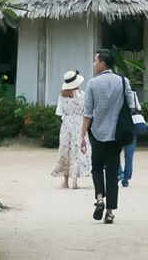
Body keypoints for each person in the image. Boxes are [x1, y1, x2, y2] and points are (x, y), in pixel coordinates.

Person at [80, 48, 136, 225]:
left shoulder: (92, 84)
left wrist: (82, 136)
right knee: (112, 172)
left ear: (103, 63)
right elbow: (132, 106)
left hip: (96, 132)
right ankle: (110, 212)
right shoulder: (123, 81)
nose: (94, 64)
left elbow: (87, 112)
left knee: (96, 167)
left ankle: (99, 199)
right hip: (116, 134)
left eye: (95, 61)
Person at [52, 69, 91, 190]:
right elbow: (88, 111)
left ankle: (66, 181)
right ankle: (75, 181)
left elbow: (59, 112)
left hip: (67, 123)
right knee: (77, 150)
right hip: (80, 123)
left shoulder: (62, 95)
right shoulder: (84, 95)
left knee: (65, 150)